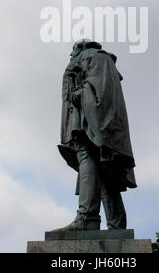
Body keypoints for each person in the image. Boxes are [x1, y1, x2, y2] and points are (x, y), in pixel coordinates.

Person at [50, 39, 136, 233]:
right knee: (106, 172)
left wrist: (79, 94)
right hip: (104, 121)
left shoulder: (90, 57)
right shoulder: (103, 60)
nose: (71, 56)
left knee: (87, 156)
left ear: (80, 48)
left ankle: (87, 218)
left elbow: (97, 88)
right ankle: (116, 225)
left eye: (73, 51)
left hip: (91, 120)